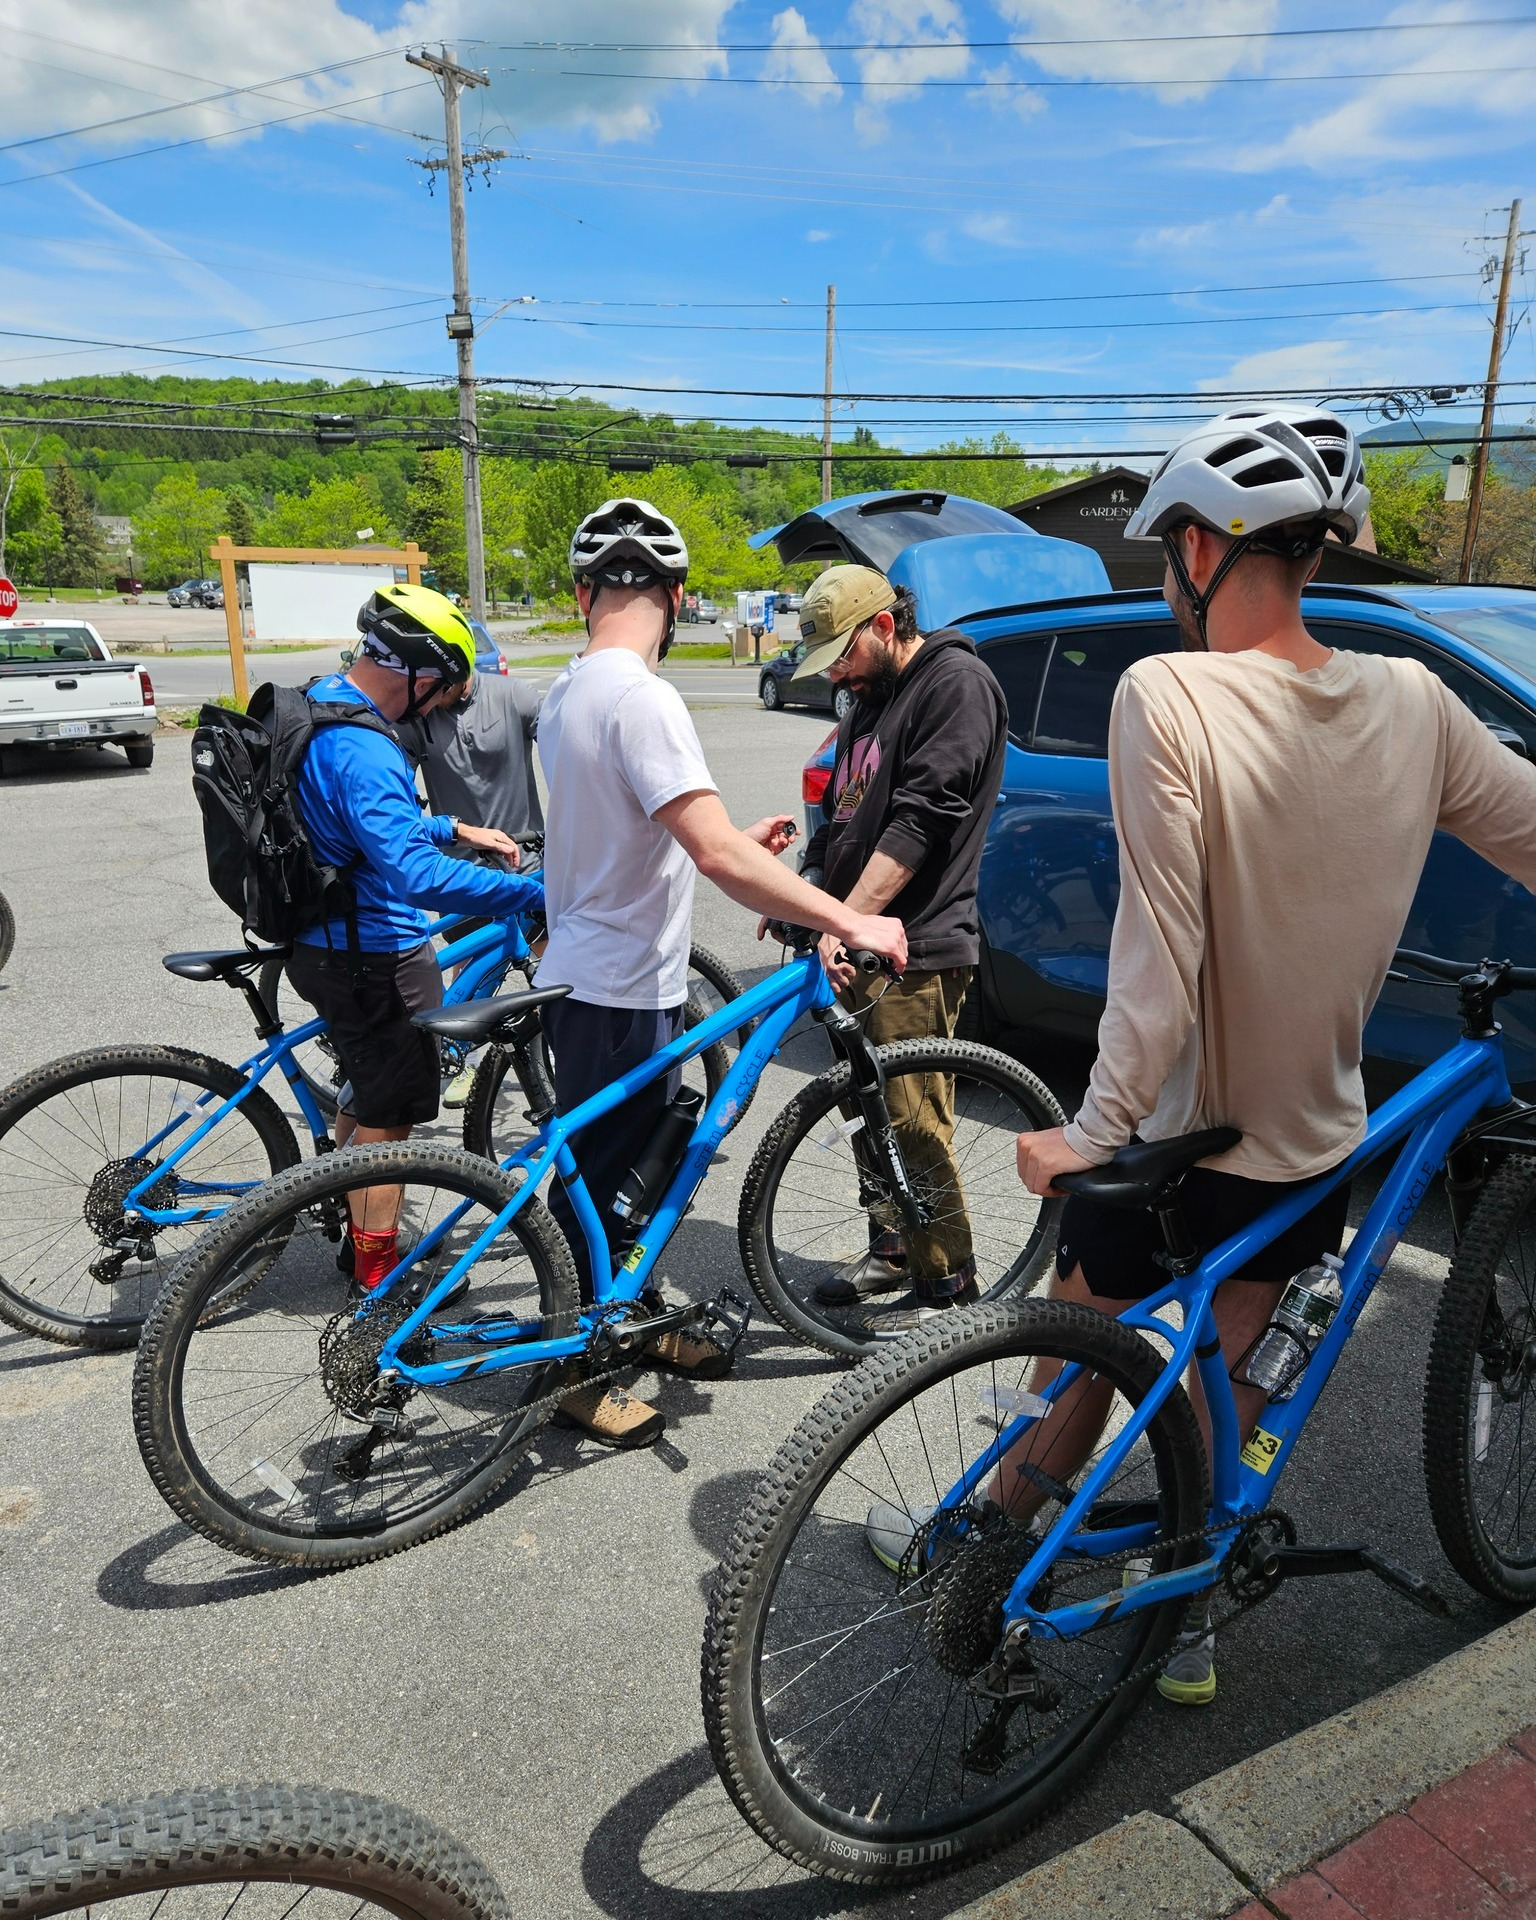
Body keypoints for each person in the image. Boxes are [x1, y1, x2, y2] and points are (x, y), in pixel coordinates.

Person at [950, 402, 1536, 1706]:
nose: (1168, 577)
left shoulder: (1170, 691)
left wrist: (1093, 1131)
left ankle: (994, 1546)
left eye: (1170, 550)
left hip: (1169, 1130)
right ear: (1317, 555)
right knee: (1233, 1359)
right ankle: (1190, 1603)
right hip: (1305, 1135)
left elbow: (1157, 956)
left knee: (1083, 1341)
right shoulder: (1419, 706)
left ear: (1205, 548)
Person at [538, 498, 908, 1449]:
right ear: (678, 595)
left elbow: (626, 833)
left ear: (584, 597)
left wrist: (734, 838)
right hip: (621, 984)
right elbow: (707, 854)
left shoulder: (567, 692)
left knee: (617, 1175)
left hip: (589, 967)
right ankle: (578, 1371)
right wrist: (843, 913)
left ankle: (630, 1319)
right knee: (601, 1181)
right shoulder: (644, 698)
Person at [286, 583, 543, 1289]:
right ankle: (379, 1272)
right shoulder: (365, 745)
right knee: (390, 1121)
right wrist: (535, 890)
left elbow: (360, 828)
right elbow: (416, 876)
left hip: (326, 940)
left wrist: (451, 826)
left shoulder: (323, 702)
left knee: (368, 1095)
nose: (435, 707)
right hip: (373, 955)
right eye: (440, 692)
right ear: (417, 673)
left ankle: (353, 1230)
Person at [788, 564, 1007, 1332]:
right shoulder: (867, 701)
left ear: (884, 625)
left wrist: (840, 921)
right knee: (864, 1111)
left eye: (842, 656)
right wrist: (809, 890)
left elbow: (922, 823)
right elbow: (839, 812)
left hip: (915, 945)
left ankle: (948, 1284)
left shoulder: (955, 685)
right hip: (851, 938)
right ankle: (890, 1248)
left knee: (913, 1121)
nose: (837, 677)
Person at [399, 662, 544, 1104]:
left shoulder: (513, 696)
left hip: (528, 860)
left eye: (434, 684)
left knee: (557, 963)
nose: (426, 693)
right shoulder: (419, 717)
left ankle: (568, 1050)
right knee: (468, 970)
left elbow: (569, 745)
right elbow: (396, 798)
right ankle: (460, 1058)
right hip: (461, 872)